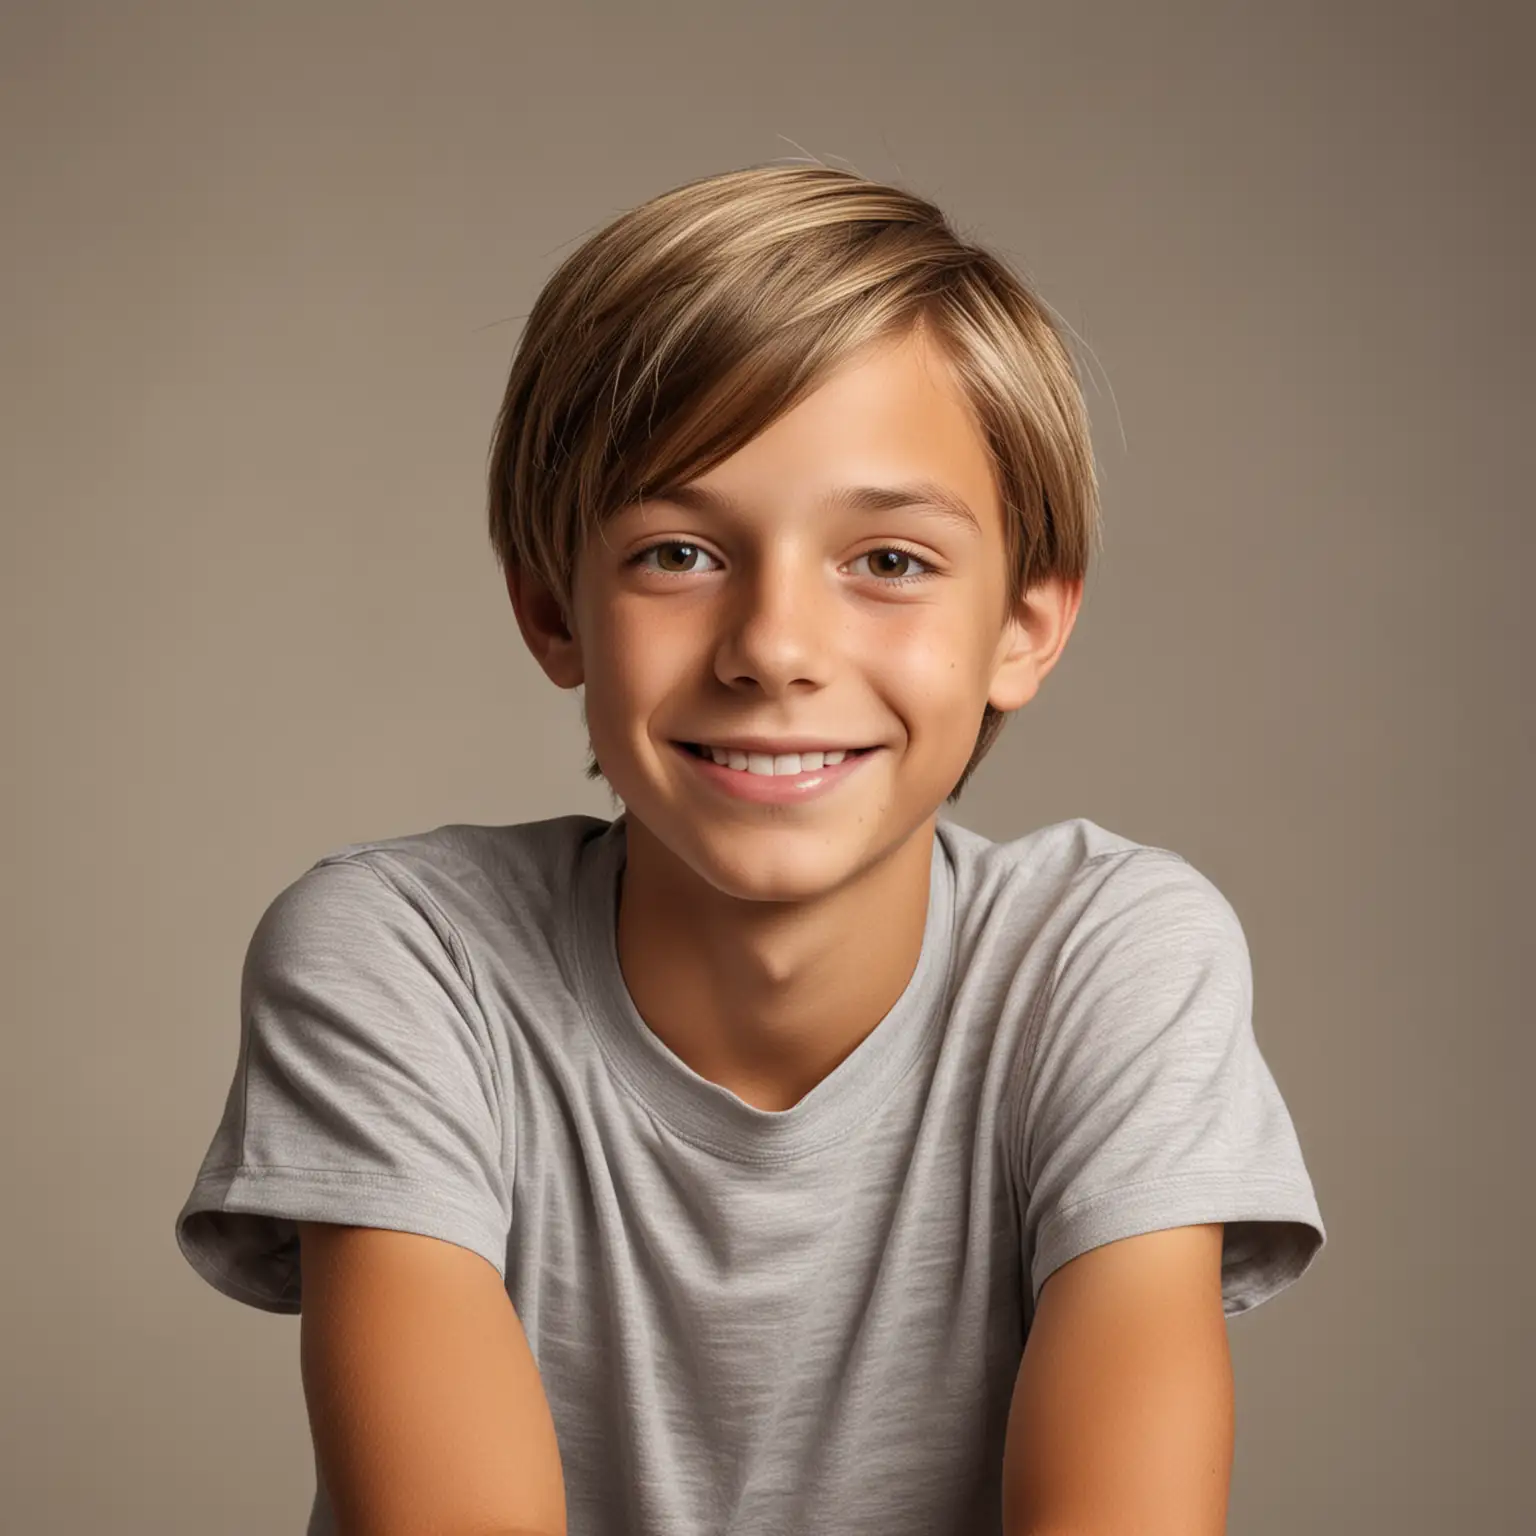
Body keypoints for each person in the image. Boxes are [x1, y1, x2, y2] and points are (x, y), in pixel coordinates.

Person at [175, 163, 1325, 1536]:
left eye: (888, 560)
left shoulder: (1109, 959)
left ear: (1025, 624)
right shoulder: (407, 959)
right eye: (676, 553)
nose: (775, 648)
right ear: (553, 611)